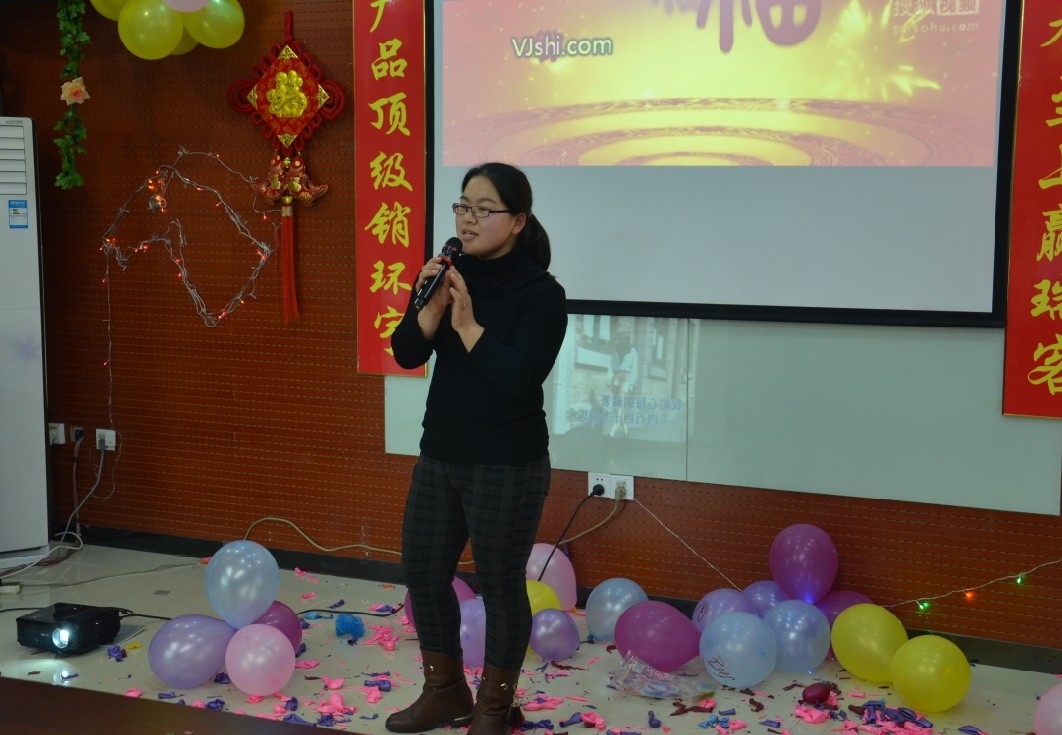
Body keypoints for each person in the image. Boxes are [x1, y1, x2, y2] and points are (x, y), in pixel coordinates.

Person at [388, 162, 568, 735]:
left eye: (483, 209)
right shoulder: (446, 274)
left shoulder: (542, 294)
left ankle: (494, 707)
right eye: (463, 206)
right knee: (423, 571)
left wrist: (467, 327)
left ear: (517, 221)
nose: (468, 219)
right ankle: (444, 692)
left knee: (499, 585)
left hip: (507, 462)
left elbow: (521, 378)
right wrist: (431, 310)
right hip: (441, 453)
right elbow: (406, 352)